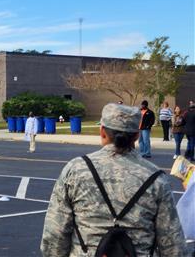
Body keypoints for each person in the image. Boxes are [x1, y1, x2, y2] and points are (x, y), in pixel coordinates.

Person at [41, 103, 187, 256]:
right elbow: (172, 245)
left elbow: (54, 236)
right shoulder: (156, 178)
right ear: (136, 136)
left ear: (102, 132)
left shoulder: (75, 170)